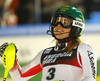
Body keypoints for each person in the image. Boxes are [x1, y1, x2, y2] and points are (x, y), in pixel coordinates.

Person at [0, 5, 97, 81]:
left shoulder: (83, 48)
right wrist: (12, 63)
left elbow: (90, 78)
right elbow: (19, 78)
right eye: (56, 21)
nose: (58, 26)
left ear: (76, 26)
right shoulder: (45, 54)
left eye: (65, 22)